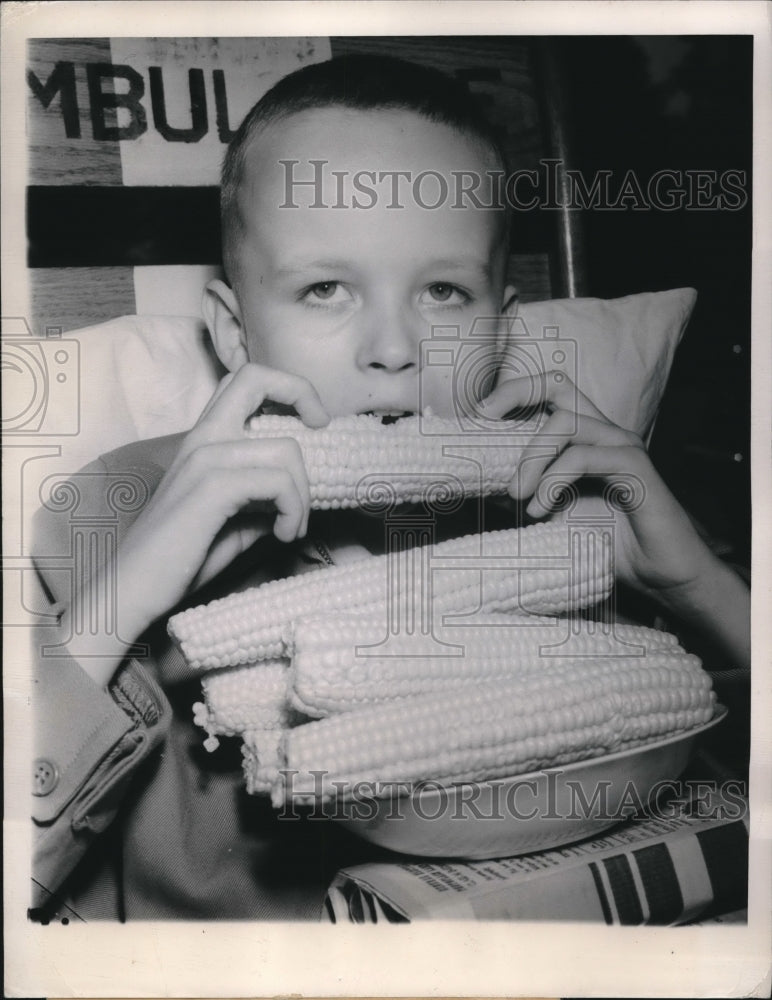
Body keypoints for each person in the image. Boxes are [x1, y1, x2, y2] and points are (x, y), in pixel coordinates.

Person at [30, 54, 750, 921]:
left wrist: (701, 589)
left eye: (443, 291)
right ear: (235, 332)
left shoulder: (565, 516)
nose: (394, 349)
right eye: (325, 289)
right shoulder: (113, 515)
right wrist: (120, 605)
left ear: (500, 333)